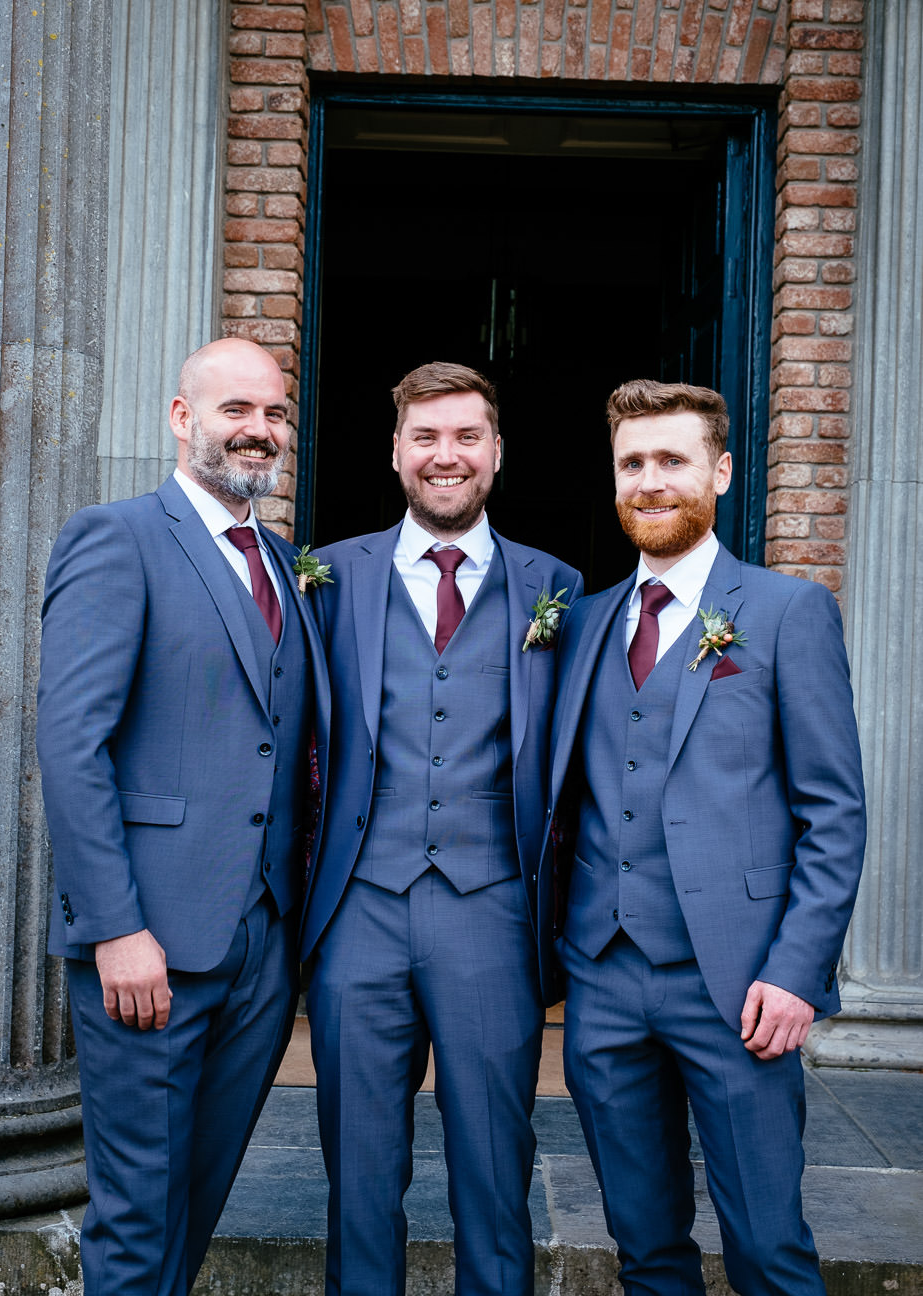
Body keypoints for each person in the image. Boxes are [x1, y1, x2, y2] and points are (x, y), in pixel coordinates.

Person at [546, 379, 866, 1296]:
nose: (649, 481)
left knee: (768, 1251)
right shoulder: (584, 621)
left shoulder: (786, 611)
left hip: (740, 984)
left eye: (671, 460)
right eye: (631, 463)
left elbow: (832, 811)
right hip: (603, 979)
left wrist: (797, 971)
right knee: (644, 1251)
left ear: (719, 472)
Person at [36, 337, 330, 1296]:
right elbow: (71, 745)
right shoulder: (116, 538)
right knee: (135, 1218)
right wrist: (116, 929)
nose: (259, 429)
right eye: (235, 408)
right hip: (149, 946)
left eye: (274, 412)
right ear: (181, 417)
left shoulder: (282, 563)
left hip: (260, 948)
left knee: (195, 1206)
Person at [302, 362, 583, 1296]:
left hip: (492, 912)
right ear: (395, 452)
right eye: (425, 436)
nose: (445, 455)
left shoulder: (557, 586)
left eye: (466, 436)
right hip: (359, 910)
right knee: (358, 1173)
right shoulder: (329, 577)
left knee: (496, 1170)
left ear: (497, 452)